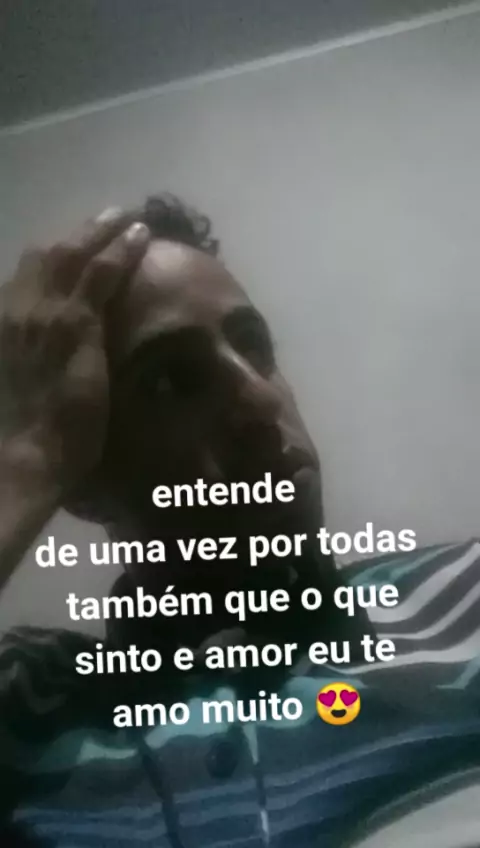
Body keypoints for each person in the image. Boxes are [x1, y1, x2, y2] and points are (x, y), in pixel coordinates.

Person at [0, 195, 479, 848]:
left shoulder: (463, 597)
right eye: (170, 381)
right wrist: (25, 460)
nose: (259, 399)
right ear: (81, 481)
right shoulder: (27, 701)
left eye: (255, 347)